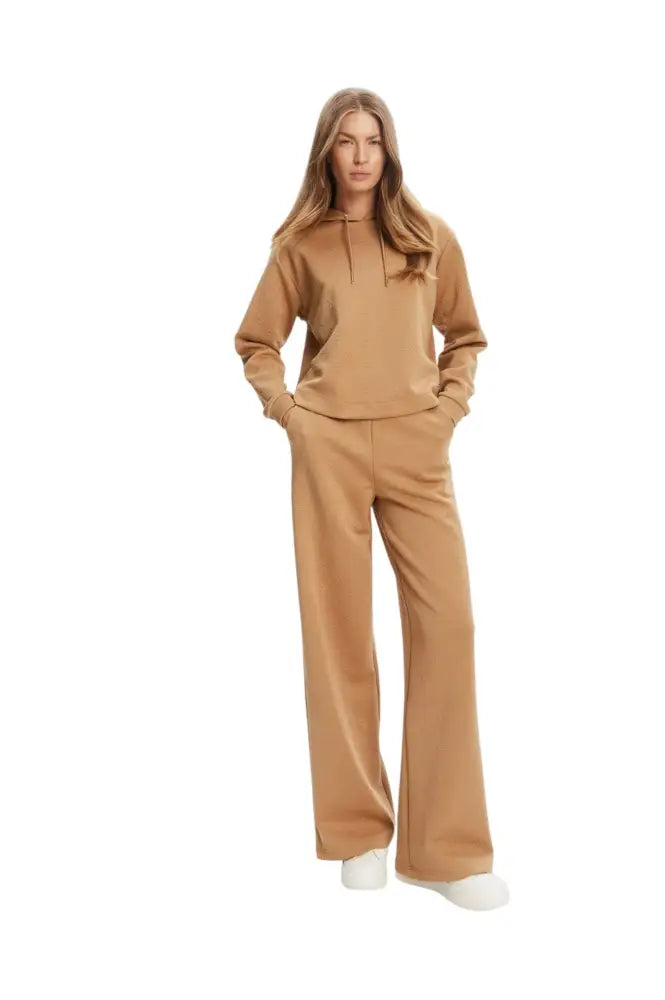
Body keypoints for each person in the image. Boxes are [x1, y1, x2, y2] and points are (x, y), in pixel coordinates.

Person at [233, 88, 509, 911]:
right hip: (330, 449)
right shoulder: (299, 244)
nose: (360, 155)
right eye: (347, 140)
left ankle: (446, 851)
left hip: (418, 448)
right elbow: (256, 341)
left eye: (374, 140)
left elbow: (466, 335)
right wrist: (291, 416)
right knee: (340, 636)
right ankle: (358, 833)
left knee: (449, 627)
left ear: (390, 150)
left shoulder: (429, 236)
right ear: (327, 149)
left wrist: (447, 410)